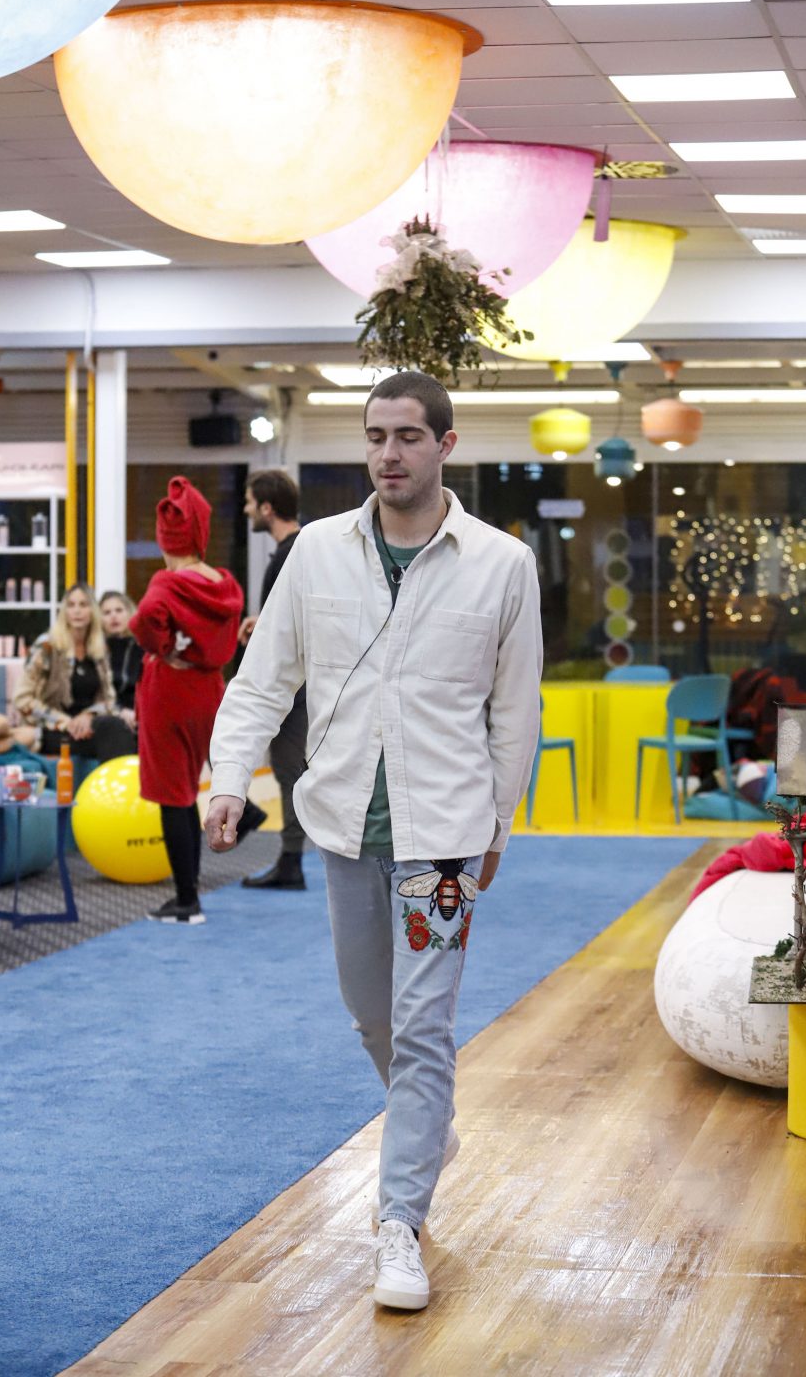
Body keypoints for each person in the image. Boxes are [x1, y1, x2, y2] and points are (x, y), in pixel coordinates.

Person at [204, 371, 542, 1312]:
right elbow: (263, 680)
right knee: (370, 1013)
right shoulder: (316, 552)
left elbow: (515, 712)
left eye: (407, 436)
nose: (388, 454)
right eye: (375, 436)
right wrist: (229, 779)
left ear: (445, 445)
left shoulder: (502, 565)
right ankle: (428, 1129)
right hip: (346, 824)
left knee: (423, 1024)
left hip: (445, 839)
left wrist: (499, 824)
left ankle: (400, 1222)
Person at [130, 475, 265, 926]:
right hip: (210, 689)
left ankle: (186, 900)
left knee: (174, 796)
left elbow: (144, 619)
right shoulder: (225, 584)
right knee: (198, 781)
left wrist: (164, 646)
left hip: (169, 690)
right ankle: (244, 819)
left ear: (165, 537)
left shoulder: (167, 584)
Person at [238, 470, 309, 891]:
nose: (246, 509)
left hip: (291, 686)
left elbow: (292, 625)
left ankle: (292, 861)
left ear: (266, 508)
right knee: (290, 770)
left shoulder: (289, 555)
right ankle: (290, 858)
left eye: (250, 502)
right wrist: (262, 622)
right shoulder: (299, 550)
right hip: (299, 682)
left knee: (288, 771)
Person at [13, 583, 137, 762]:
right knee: (113, 730)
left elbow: (108, 699)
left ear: (92, 611)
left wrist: (90, 715)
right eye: (71, 605)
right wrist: (67, 722)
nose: (77, 611)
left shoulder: (99, 650)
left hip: (88, 728)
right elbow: (22, 699)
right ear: (64, 611)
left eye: (83, 605)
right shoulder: (47, 647)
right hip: (52, 729)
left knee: (126, 730)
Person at [99, 590, 142, 730]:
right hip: (107, 714)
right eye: (107, 612)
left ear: (130, 612)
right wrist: (119, 711)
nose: (113, 616)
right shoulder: (97, 649)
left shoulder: (143, 646)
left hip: (140, 713)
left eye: (119, 610)